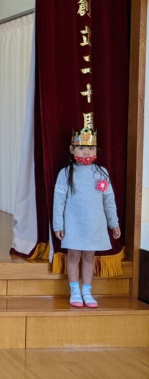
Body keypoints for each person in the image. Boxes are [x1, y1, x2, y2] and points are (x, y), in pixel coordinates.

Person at [53, 124, 120, 308]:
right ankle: (74, 291)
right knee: (74, 256)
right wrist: (58, 225)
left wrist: (114, 223)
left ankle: (87, 292)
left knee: (90, 257)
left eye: (90, 148)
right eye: (81, 148)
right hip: (73, 224)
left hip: (94, 225)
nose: (85, 152)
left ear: (96, 150)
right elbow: (59, 201)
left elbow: (109, 201)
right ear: (72, 150)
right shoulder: (65, 173)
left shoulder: (101, 173)